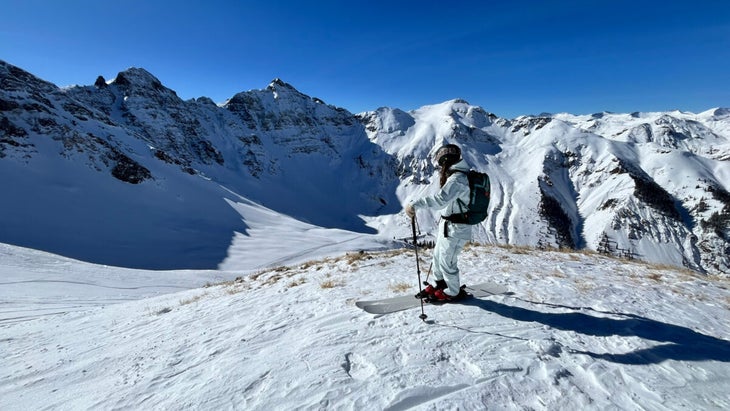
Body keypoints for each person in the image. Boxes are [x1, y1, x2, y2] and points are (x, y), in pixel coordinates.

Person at [405, 143, 472, 302]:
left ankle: (453, 292)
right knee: (438, 257)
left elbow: (441, 200)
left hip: (457, 229)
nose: (441, 167)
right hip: (449, 226)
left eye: (441, 163)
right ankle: (438, 284)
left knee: (447, 261)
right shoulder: (457, 175)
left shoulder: (458, 179)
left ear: (446, 160)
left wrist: (416, 204)